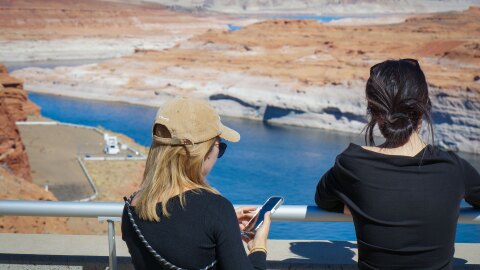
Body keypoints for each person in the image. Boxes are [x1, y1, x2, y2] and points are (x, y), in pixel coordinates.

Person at [315, 59, 480, 269]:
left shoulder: (352, 164)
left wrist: (358, 202)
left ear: (373, 112)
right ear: (424, 107)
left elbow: (323, 200)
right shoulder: (453, 168)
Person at [122, 96, 271, 269]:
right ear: (203, 152)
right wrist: (258, 247)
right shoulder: (216, 209)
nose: (218, 155)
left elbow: (178, 230)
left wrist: (225, 227)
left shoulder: (131, 207)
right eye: (219, 147)